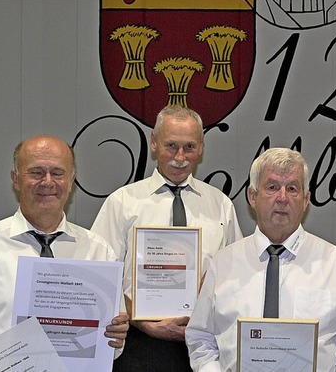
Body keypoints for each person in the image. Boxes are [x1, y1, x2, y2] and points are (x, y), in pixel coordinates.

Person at [0, 135, 129, 371]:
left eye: (57, 173)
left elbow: (112, 348)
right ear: (15, 179)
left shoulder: (99, 250)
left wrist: (115, 338)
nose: (47, 182)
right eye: (36, 172)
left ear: (72, 180)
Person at [185, 147, 336, 371]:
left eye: (293, 189)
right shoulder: (223, 263)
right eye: (272, 187)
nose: (282, 198)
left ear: (306, 200)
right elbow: (201, 338)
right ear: (252, 196)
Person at [91, 105, 243, 372]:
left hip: (207, 348)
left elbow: (236, 276)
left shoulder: (221, 205)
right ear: (153, 142)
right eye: (171, 145)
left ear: (202, 147)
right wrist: (142, 321)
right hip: (140, 345)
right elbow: (101, 276)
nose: (180, 157)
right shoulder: (122, 202)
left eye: (190, 147)